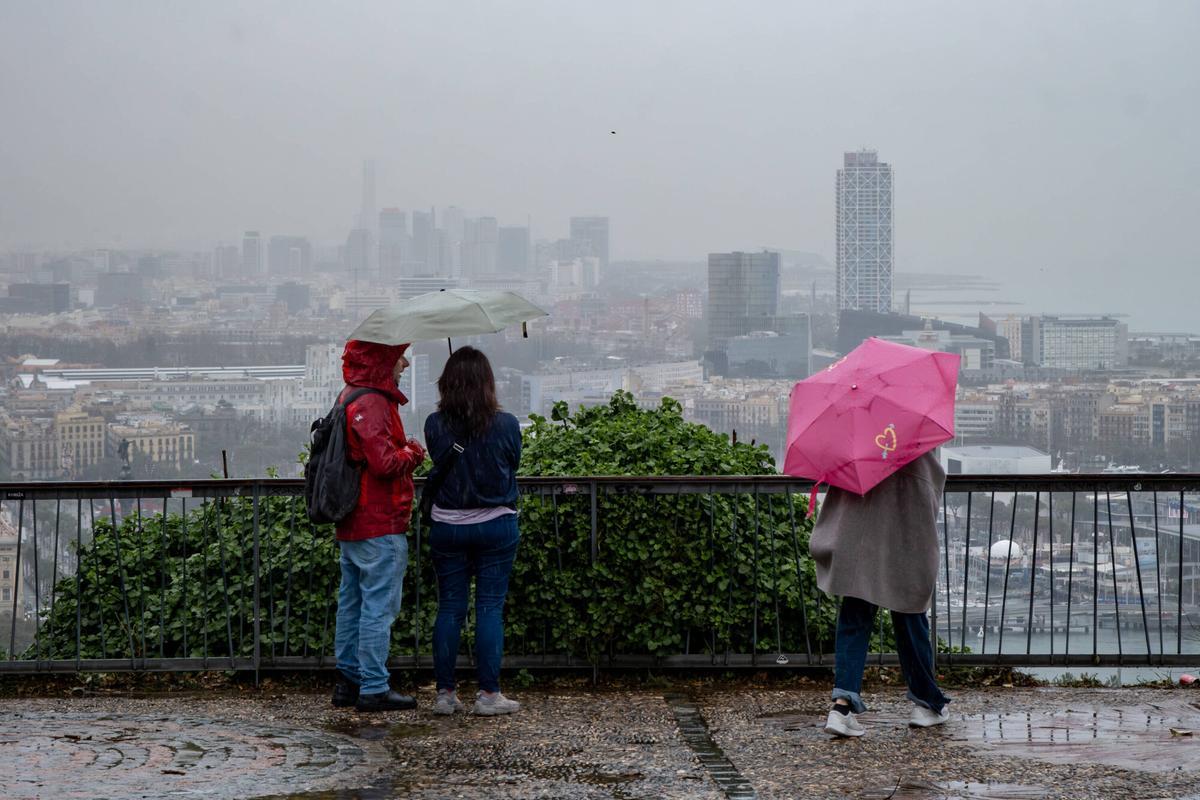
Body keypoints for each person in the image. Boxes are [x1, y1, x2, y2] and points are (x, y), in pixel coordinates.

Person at [808, 451, 951, 737]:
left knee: (854, 619)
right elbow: (927, 488)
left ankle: (841, 708)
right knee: (910, 618)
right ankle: (927, 704)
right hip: (904, 542)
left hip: (859, 542)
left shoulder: (859, 438)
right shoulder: (918, 438)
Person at [423, 346, 522, 716]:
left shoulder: (435, 425)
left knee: (450, 608)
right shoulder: (507, 424)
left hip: (448, 526)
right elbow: (512, 462)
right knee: (489, 609)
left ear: (447, 383)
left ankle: (445, 695)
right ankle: (488, 695)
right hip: (496, 525)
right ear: (488, 384)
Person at [331, 340, 426, 712]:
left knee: (352, 603)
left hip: (353, 518)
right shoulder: (372, 402)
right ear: (384, 361)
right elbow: (385, 463)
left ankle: (347, 681)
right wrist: (414, 452)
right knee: (377, 608)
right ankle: (373, 686)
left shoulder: (349, 395)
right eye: (400, 356)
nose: (405, 362)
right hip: (378, 518)